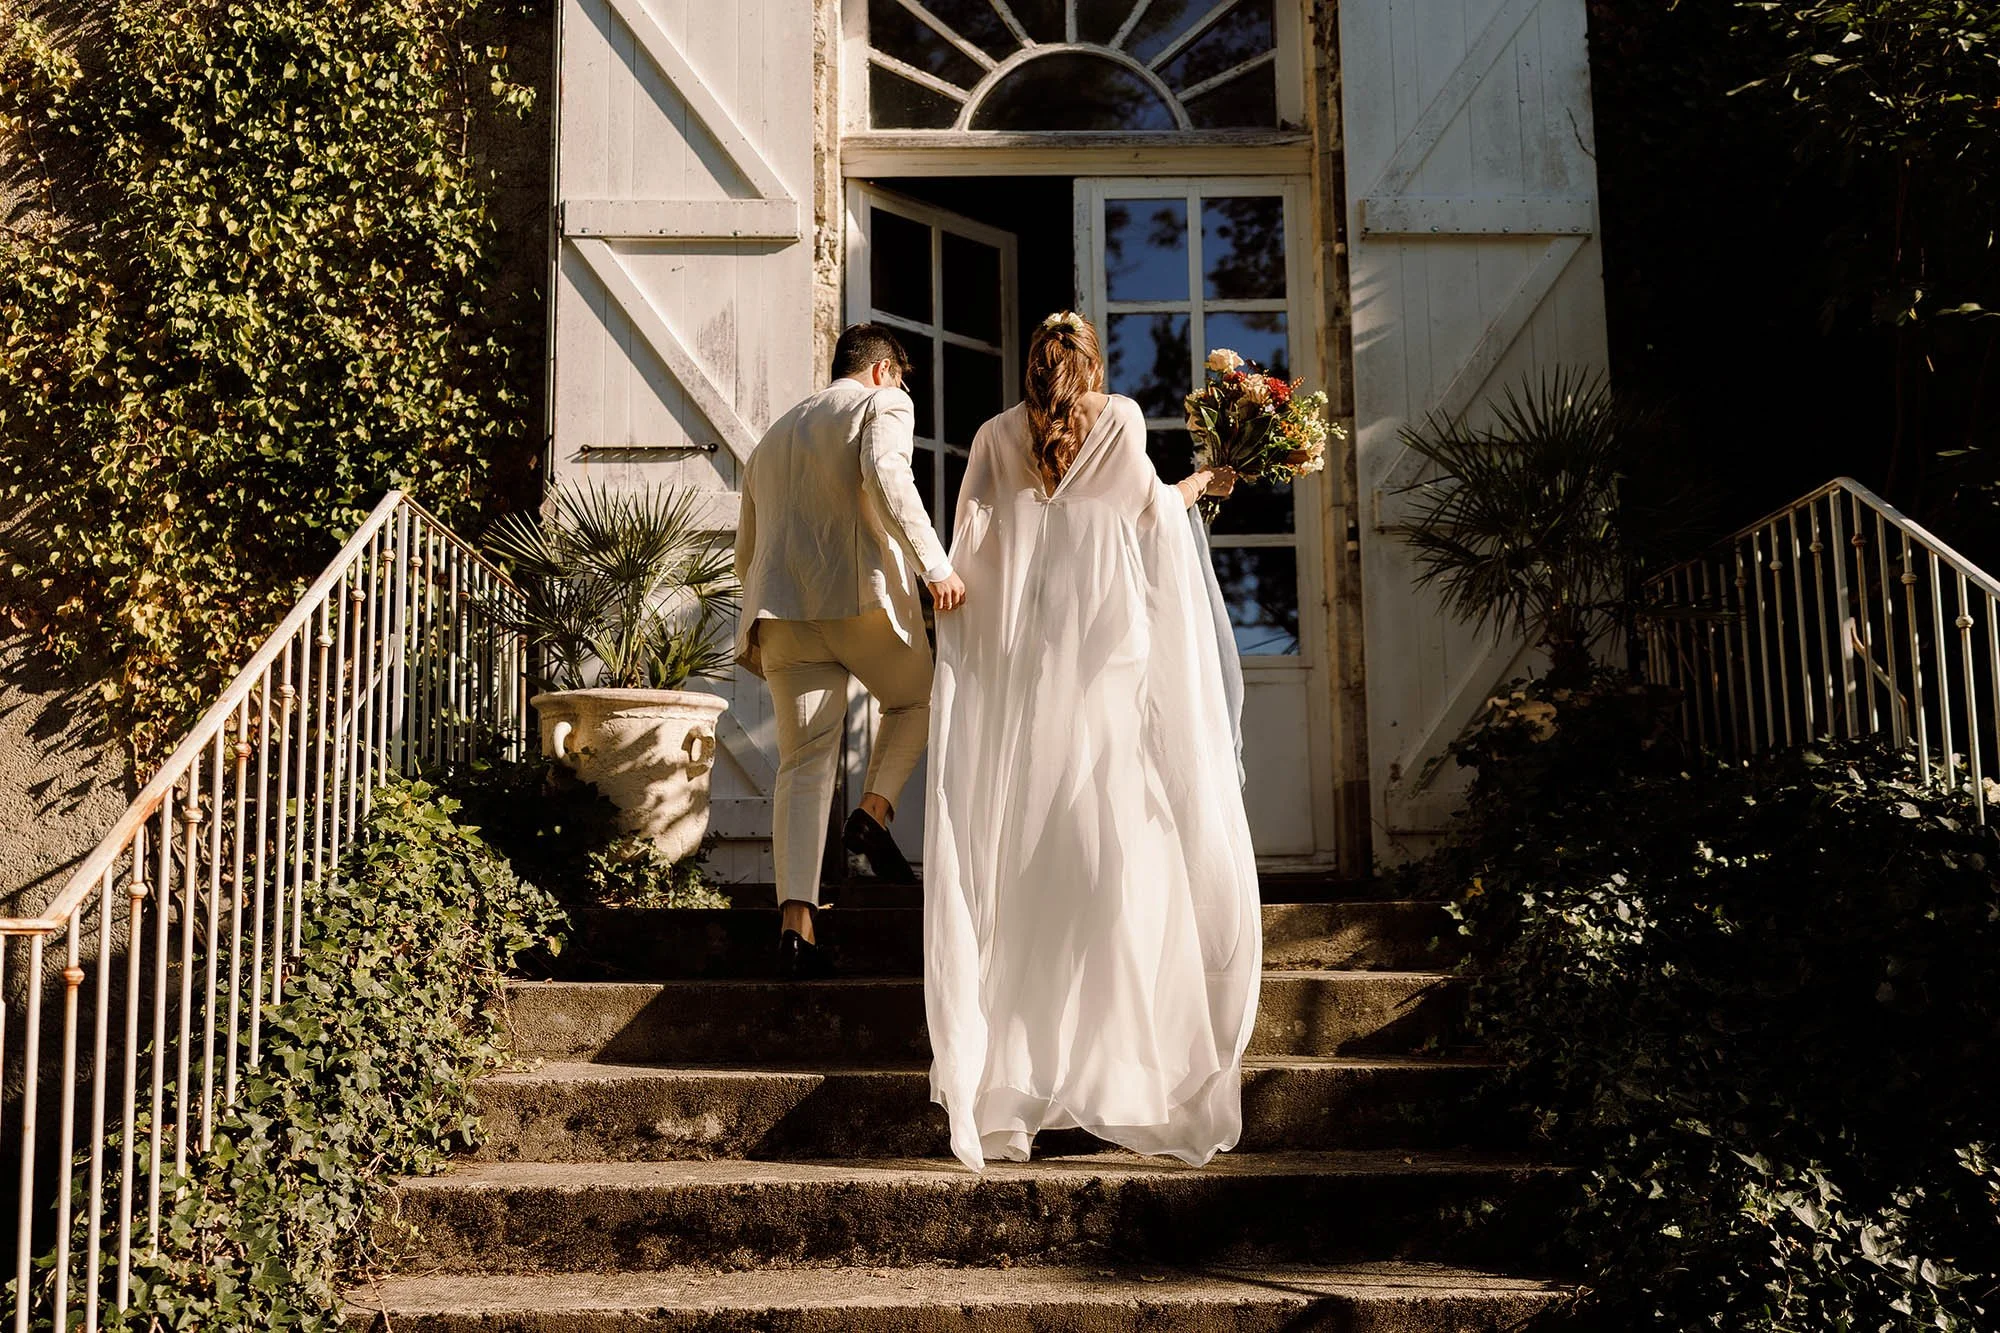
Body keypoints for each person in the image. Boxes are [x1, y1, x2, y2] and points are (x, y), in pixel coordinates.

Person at [923, 310, 1261, 1171]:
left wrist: (962, 625)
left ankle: (1014, 1088)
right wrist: (1204, 484)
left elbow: (969, 549)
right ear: (1091, 363)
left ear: (1031, 365)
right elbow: (1149, 518)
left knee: (1022, 871)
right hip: (1108, 685)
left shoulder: (996, 436)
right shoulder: (1120, 421)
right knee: (1119, 874)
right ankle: (1128, 1071)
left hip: (1029, 688)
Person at [735, 322, 966, 978]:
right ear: (884, 371)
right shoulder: (884, 403)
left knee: (803, 764)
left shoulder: (773, 436)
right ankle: (873, 813)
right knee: (917, 697)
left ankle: (796, 926)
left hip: (781, 612)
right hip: (858, 599)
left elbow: (745, 550)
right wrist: (935, 566)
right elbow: (887, 473)